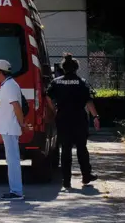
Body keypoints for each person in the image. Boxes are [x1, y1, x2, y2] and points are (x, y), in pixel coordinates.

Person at [47, 54, 100, 190]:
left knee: (65, 149)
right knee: (82, 148)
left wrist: (54, 110)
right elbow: (89, 101)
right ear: (76, 68)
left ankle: (66, 181)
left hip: (63, 118)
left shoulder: (56, 82)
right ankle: (86, 175)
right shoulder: (82, 82)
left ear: (63, 68)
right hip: (79, 118)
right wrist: (95, 117)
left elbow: (48, 97)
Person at [0, 59, 27, 201]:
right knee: (12, 159)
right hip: (8, 128)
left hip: (10, 128)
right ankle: (15, 190)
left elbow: (16, 107)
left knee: (12, 160)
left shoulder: (9, 86)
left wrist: (22, 124)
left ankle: (16, 191)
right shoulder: (8, 84)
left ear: (0, 71)